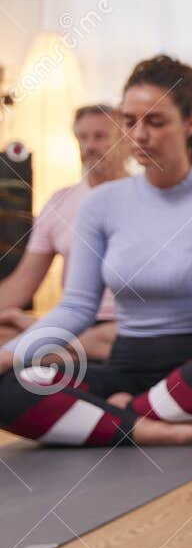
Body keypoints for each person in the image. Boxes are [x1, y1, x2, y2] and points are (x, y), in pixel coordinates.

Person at [0, 55, 192, 447]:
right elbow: (76, 306)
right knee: (11, 384)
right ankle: (153, 427)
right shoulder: (101, 205)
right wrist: (12, 353)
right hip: (125, 365)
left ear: (191, 123)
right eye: (129, 122)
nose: (139, 135)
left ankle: (114, 417)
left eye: (156, 122)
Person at [0, 104, 127, 360]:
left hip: (121, 325)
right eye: (83, 137)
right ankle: (54, 345)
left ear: (125, 141)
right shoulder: (60, 202)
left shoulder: (145, 197)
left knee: (115, 340)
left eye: (100, 137)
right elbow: (23, 283)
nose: (90, 146)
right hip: (70, 323)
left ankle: (47, 344)